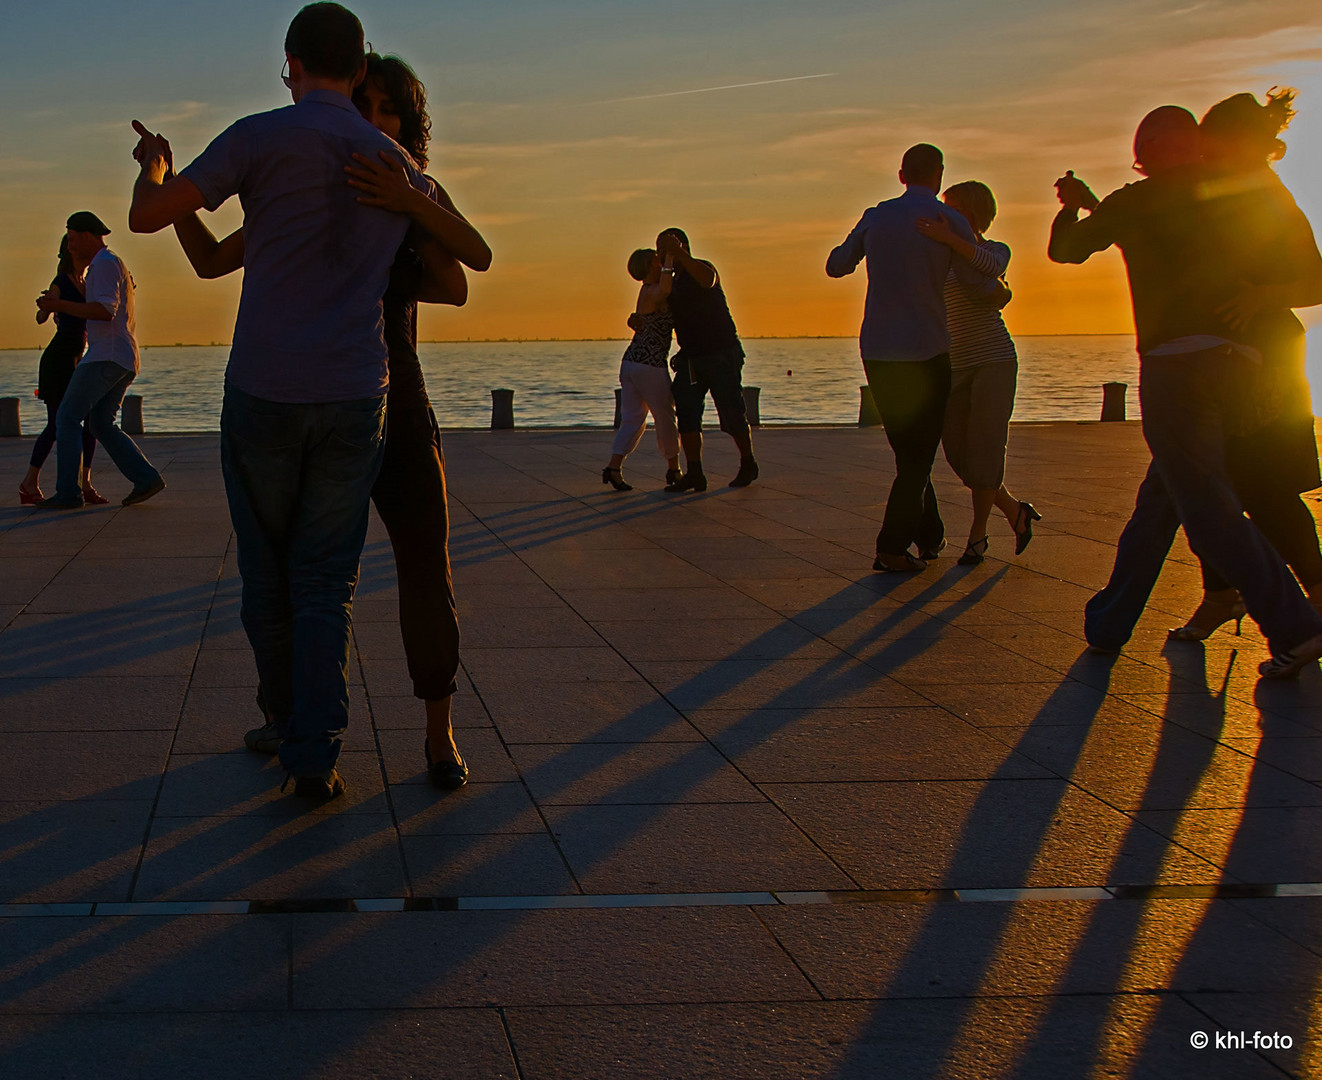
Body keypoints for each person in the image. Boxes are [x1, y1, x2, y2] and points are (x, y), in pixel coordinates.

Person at [155, 51, 491, 791]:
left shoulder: (407, 191)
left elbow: (458, 282)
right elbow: (212, 260)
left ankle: (439, 734)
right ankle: (296, 722)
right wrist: (171, 196)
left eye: (385, 108)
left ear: (407, 122)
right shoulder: (299, 198)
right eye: (360, 102)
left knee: (423, 571)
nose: (367, 119)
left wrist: (405, 207)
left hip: (396, 406)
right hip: (323, 402)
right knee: (299, 581)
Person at [1049, 105, 1322, 679]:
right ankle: (1109, 621)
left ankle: (1298, 626)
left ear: (1144, 150)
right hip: (1243, 366)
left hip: (1176, 366)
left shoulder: (1134, 201)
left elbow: (1067, 250)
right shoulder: (1231, 192)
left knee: (1207, 505)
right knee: (1164, 496)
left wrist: (1072, 206)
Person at [1168, 89, 1322, 640]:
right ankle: (1221, 595)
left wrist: (1259, 297)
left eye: (1211, 141)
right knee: (1209, 485)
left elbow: (1316, 280)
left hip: (1268, 359)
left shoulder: (1269, 196)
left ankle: (1317, 597)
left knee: (1266, 487)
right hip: (1216, 356)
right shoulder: (1219, 193)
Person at [825, 143, 992, 572]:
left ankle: (930, 533)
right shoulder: (948, 219)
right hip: (927, 349)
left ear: (902, 175)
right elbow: (982, 274)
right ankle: (891, 548)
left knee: (909, 452)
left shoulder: (875, 217)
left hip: (879, 350)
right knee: (918, 454)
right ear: (938, 174)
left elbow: (836, 266)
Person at [916, 180, 1039, 565]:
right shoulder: (939, 257)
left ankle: (977, 536)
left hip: (993, 360)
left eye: (952, 209)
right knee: (957, 453)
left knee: (986, 450)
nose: (943, 214)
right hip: (953, 364)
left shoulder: (992, 250)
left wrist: (952, 239)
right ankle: (1015, 510)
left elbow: (991, 267)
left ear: (970, 214)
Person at [34, 212, 164, 511]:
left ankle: (68, 492)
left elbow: (104, 310)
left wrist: (57, 305)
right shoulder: (110, 263)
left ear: (89, 236)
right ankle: (146, 478)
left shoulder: (104, 265)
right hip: (123, 356)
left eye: (72, 239)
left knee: (67, 417)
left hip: (105, 355)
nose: (69, 246)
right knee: (100, 423)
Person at [655, 228, 758, 491]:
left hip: (721, 352)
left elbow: (708, 280)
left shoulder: (702, 268)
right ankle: (695, 473)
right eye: (659, 250)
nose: (661, 254)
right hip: (691, 357)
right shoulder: (671, 282)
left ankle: (748, 462)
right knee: (687, 414)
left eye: (665, 249)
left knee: (731, 411)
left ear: (683, 247)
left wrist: (680, 254)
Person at [21, 236, 104, 505]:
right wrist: (47, 305)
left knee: (90, 423)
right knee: (58, 423)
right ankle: (29, 482)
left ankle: (86, 483)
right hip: (58, 361)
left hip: (79, 360)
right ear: (73, 251)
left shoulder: (87, 281)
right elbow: (41, 316)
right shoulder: (62, 282)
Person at [602, 247, 680, 491]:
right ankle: (674, 468)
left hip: (632, 363)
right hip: (649, 365)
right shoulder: (652, 291)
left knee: (633, 419)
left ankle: (614, 467)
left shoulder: (645, 292)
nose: (661, 265)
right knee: (665, 416)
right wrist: (670, 259)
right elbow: (666, 289)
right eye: (657, 261)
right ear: (649, 267)